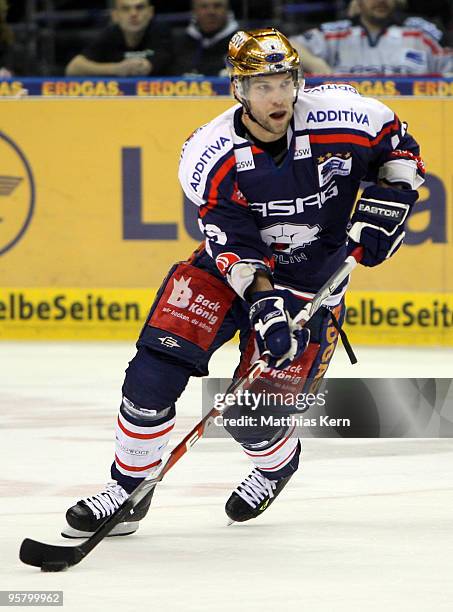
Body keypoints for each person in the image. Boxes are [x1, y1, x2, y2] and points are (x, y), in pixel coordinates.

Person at [63, 28, 424, 537]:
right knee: (153, 373)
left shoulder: (347, 117)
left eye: (284, 81)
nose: (277, 96)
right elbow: (233, 242)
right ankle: (128, 488)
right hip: (229, 273)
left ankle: (278, 462)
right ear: (238, 88)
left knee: (253, 419)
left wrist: (392, 201)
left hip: (311, 284)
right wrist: (262, 302)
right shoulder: (209, 154)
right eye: (261, 85)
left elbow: (399, 150)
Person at [291, 0, 453, 75]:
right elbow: (287, 45)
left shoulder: (421, 32)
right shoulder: (337, 33)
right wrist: (316, 64)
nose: (381, 1)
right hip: (351, 118)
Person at [65, 0, 172, 77]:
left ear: (150, 12)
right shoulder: (109, 34)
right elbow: (73, 68)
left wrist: (148, 66)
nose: (133, 14)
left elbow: (169, 62)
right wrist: (116, 69)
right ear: (115, 16)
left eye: (140, 7)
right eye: (126, 9)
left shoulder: (162, 32)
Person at [170, 0, 239, 76]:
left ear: (228, 10)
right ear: (194, 11)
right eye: (204, 6)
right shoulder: (178, 43)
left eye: (217, 6)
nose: (211, 12)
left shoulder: (244, 44)